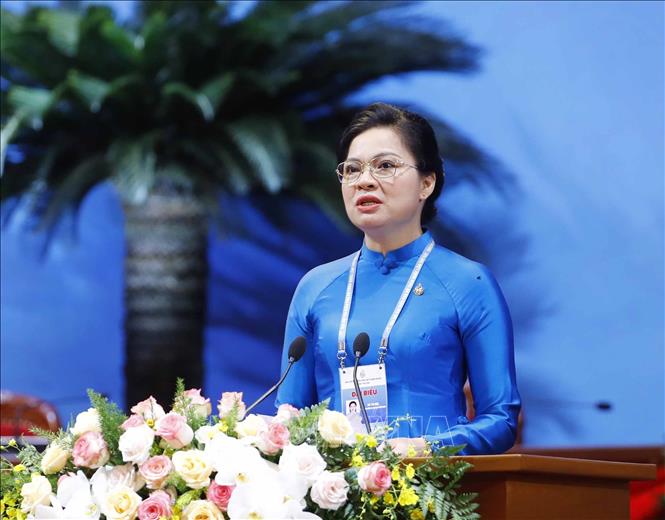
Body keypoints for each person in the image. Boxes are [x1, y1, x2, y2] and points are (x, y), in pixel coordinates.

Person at [275, 102, 521, 456]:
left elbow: (501, 421)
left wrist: (423, 449)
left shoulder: (468, 283)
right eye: (352, 169)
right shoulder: (315, 287)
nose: (365, 180)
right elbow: (289, 418)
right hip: (332, 499)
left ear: (426, 183)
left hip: (429, 493)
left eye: (385, 166)